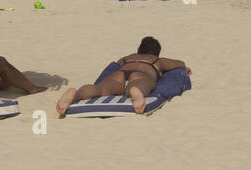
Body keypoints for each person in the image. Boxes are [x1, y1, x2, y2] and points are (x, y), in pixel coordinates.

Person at [56, 36, 190, 116]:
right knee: (140, 84)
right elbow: (179, 63)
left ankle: (76, 94)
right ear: (157, 52)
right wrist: (185, 68)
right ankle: (135, 92)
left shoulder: (127, 58)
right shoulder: (157, 60)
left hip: (119, 74)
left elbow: (117, 64)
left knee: (101, 89)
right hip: (141, 75)